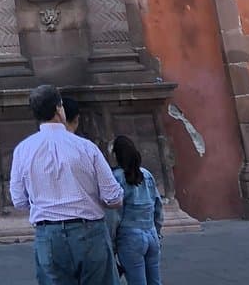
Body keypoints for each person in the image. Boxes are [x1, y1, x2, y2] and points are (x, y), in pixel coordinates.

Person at [9, 84, 122, 285]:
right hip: (89, 230)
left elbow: (19, 200)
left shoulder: (23, 150)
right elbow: (113, 196)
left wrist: (45, 203)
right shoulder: (86, 147)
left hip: (48, 234)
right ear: (59, 109)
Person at [109, 135, 164, 285]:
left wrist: (112, 243)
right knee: (155, 281)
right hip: (151, 232)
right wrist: (157, 233)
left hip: (129, 237)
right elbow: (158, 207)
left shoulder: (116, 178)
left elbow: (115, 216)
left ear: (116, 155)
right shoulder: (147, 174)